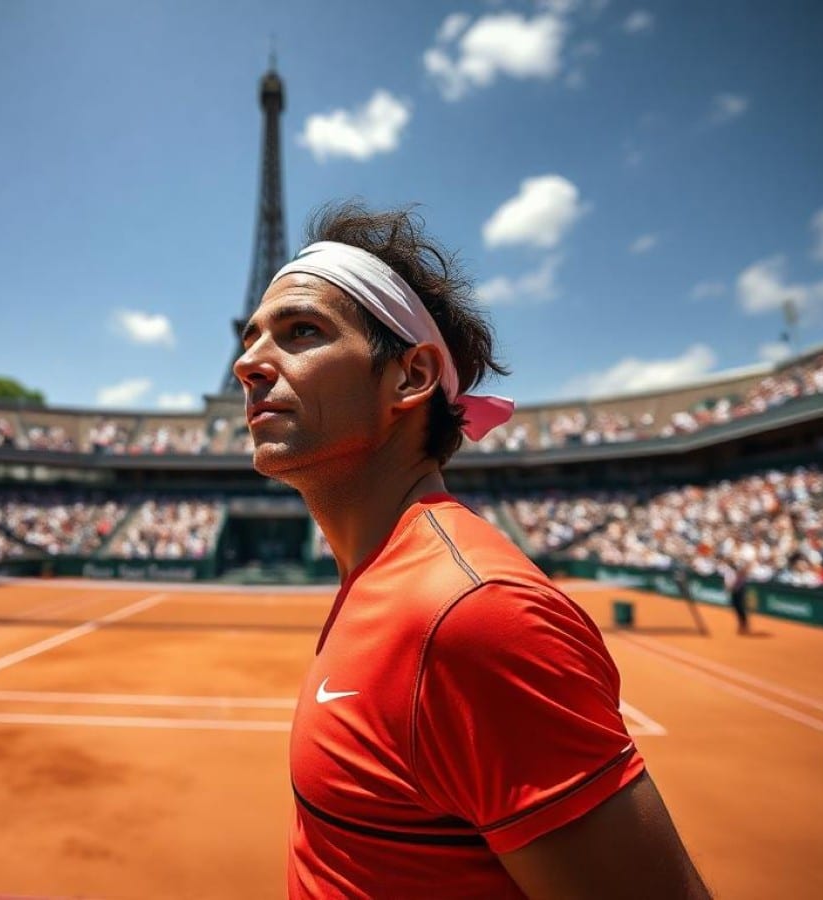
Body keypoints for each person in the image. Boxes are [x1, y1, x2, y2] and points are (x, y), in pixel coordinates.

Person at [233, 202, 711, 899]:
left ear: (411, 376)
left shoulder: (473, 617)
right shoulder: (384, 581)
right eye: (249, 339)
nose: (248, 362)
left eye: (302, 332)